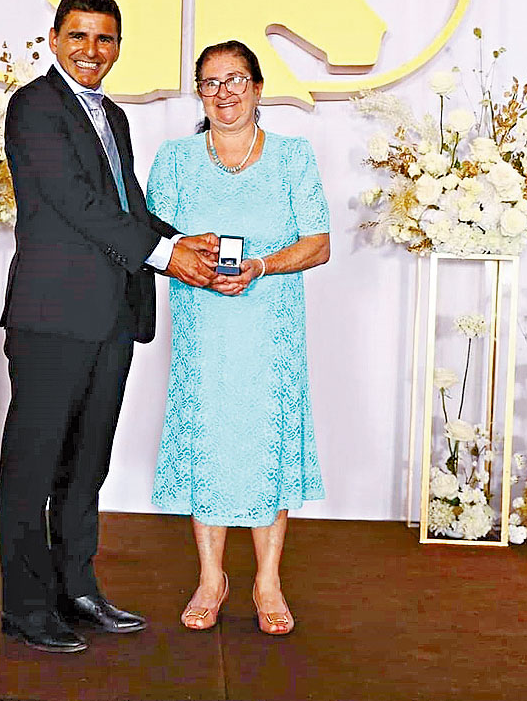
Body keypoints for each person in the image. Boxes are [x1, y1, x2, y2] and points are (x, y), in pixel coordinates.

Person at [0, 0, 219, 653]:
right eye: (79, 36)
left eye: (105, 38)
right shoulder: (35, 106)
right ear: (54, 39)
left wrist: (181, 240)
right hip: (52, 317)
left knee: (86, 465)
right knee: (33, 469)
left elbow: (125, 206)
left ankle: (77, 589)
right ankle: (26, 608)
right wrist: (168, 256)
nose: (92, 50)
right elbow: (77, 202)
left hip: (111, 316)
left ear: (118, 45)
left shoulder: (112, 115)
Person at [147, 40, 330, 636]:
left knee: (265, 441)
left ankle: (267, 581)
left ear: (257, 87)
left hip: (270, 328)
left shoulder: (293, 156)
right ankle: (211, 579)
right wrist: (188, 259)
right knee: (208, 440)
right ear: (199, 93)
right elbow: (152, 243)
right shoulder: (175, 159)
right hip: (203, 326)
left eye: (236, 80)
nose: (223, 92)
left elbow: (318, 244)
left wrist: (262, 266)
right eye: (210, 82)